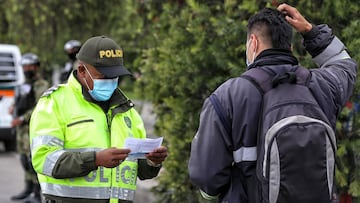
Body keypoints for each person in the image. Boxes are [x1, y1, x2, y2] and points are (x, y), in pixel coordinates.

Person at [188, 3, 357, 203]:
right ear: (290, 47)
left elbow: (207, 176)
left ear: (253, 43)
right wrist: (310, 32)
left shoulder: (227, 96)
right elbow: (345, 65)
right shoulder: (322, 86)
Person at [29, 35, 168, 203]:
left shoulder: (127, 111)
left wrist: (152, 162)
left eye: (115, 76)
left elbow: (137, 170)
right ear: (82, 71)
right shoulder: (54, 103)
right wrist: (95, 160)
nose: (110, 82)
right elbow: (43, 159)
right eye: (104, 76)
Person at [10, 53, 49, 203]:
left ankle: (36, 193)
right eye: (25, 66)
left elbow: (40, 106)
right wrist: (13, 109)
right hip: (20, 129)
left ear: (36, 67)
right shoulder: (23, 84)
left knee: (32, 161)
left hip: (31, 127)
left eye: (30, 66)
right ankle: (27, 189)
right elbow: (20, 100)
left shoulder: (41, 84)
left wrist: (22, 119)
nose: (27, 69)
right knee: (23, 159)